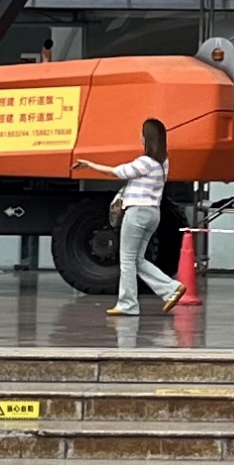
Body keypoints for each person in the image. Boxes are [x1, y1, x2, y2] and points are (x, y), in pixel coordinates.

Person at [79, 118, 187, 323]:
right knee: (137, 259)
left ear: (147, 138)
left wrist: (89, 165)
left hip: (137, 212)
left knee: (127, 259)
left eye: (142, 133)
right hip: (153, 213)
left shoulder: (144, 162)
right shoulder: (163, 163)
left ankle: (128, 304)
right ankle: (171, 289)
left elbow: (117, 172)